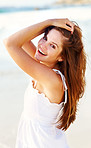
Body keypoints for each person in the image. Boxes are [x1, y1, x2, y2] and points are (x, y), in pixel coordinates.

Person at [3, 18, 86, 148]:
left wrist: (49, 22)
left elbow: (10, 43)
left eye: (53, 46)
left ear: (62, 57)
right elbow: (22, 41)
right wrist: (51, 25)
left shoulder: (52, 80)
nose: (43, 45)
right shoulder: (45, 65)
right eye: (45, 38)